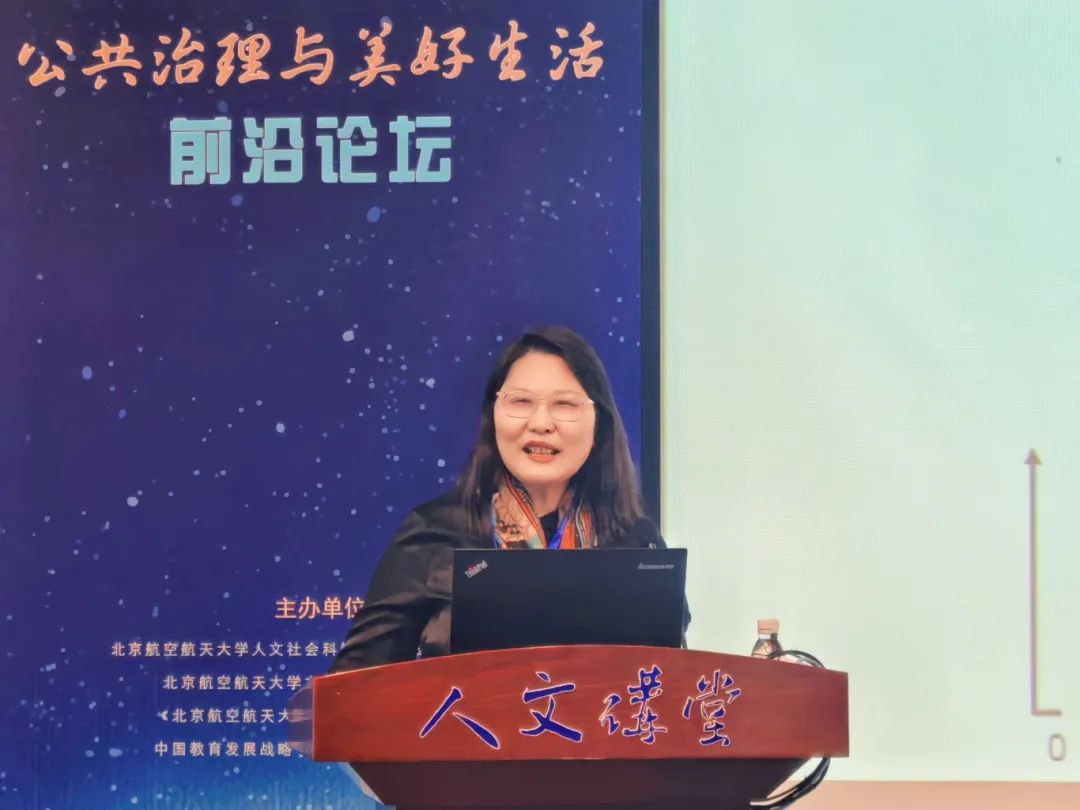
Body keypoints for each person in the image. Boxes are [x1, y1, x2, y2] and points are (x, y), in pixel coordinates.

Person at [330, 325, 675, 672]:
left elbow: (673, 682)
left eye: (565, 404)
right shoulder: (434, 533)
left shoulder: (636, 541)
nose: (541, 423)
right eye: (521, 402)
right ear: (493, 416)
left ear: (599, 423)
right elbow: (353, 686)